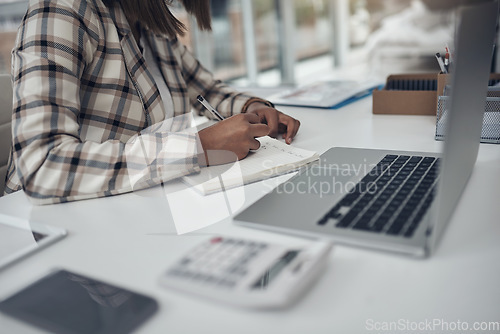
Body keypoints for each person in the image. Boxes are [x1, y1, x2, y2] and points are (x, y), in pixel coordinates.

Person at [4, 0, 300, 205]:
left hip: (140, 206)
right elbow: (41, 165)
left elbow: (207, 91)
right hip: (62, 222)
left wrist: (253, 108)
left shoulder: (149, 21)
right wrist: (197, 147)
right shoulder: (61, 11)